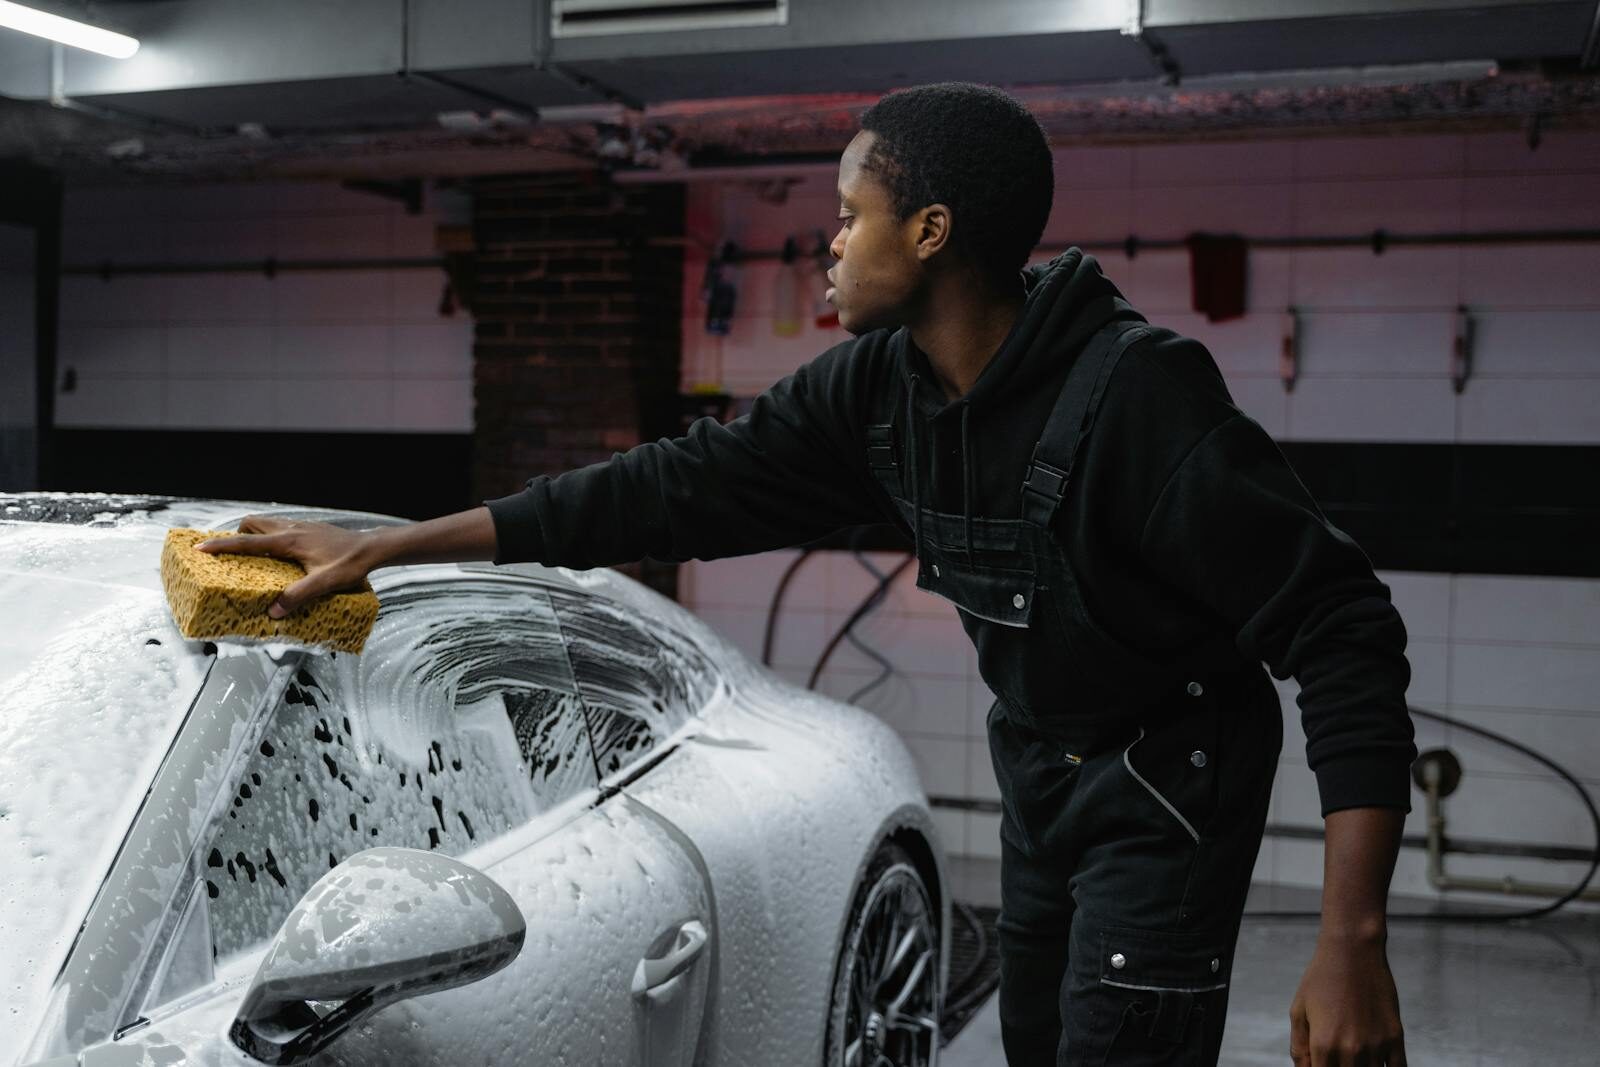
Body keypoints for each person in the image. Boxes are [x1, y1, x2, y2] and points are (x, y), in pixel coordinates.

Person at [195, 82, 1415, 1066]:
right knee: (1040, 1041)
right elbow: (658, 488)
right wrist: (393, 543)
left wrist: (1349, 940)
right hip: (1043, 760)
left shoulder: (1137, 396)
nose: (828, 242)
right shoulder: (878, 391)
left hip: (1168, 779)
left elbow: (1344, 624)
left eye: (849, 212)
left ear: (930, 231)